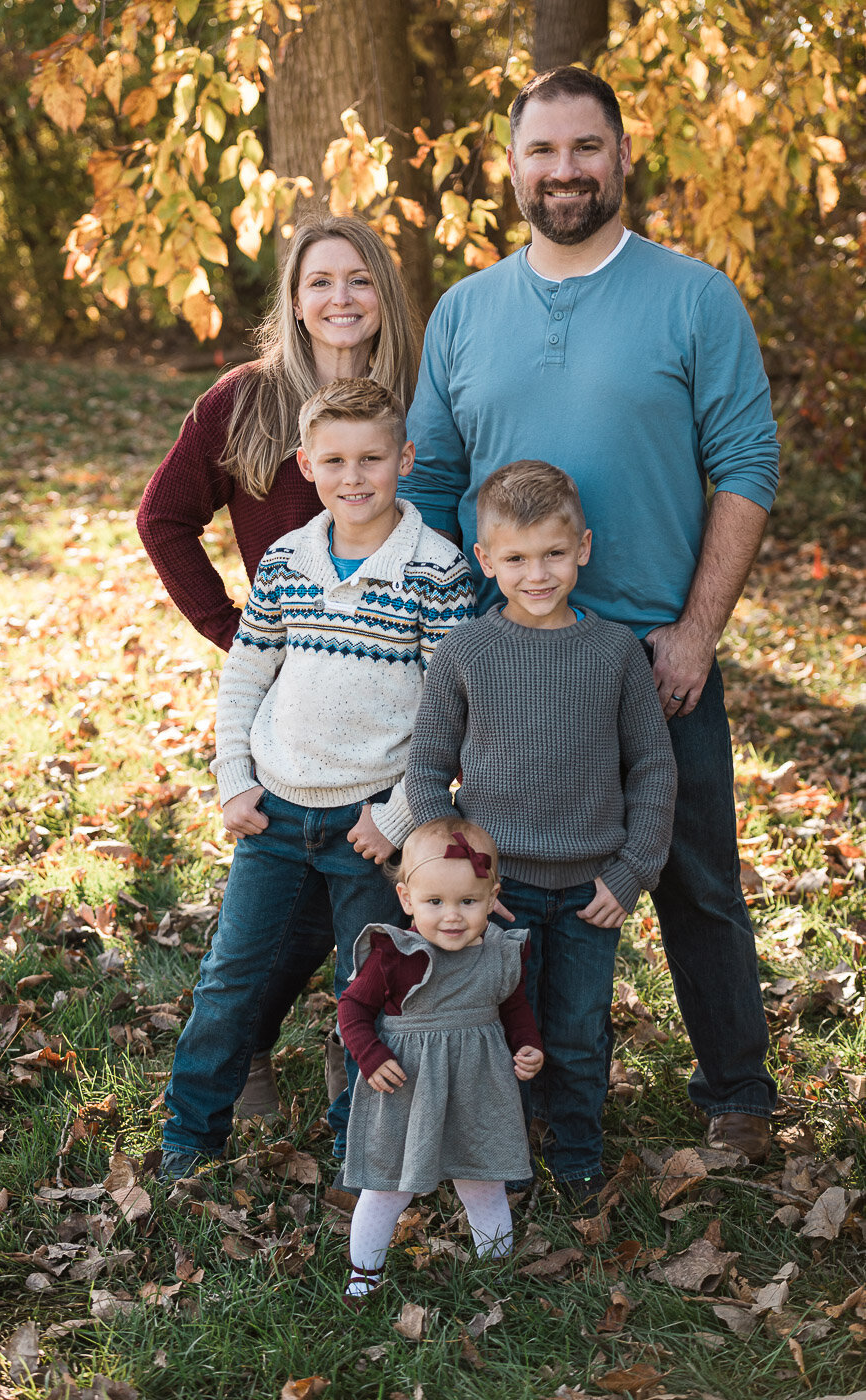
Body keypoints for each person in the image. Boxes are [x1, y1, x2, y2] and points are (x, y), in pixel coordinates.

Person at [402, 66, 780, 1166]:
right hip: (509, 661)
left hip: (656, 658)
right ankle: (518, 1091)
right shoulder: (466, 310)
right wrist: (447, 637)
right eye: (542, 150)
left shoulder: (693, 297)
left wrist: (697, 630)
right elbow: (432, 486)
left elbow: (747, 466)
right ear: (511, 166)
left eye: (584, 147)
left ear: (621, 156)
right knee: (500, 882)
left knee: (697, 879)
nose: (563, 169)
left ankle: (738, 1093)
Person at [138, 214, 421, 1124]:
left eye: (359, 279)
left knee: (374, 889)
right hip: (289, 710)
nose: (341, 298)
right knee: (281, 892)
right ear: (294, 302)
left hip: (397, 705)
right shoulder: (246, 400)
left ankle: (354, 1043)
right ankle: (249, 1045)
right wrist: (236, 633)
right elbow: (162, 519)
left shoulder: (424, 397)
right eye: (319, 282)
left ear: (385, 294)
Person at [157, 379, 476, 1181]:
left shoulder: (436, 569)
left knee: (367, 990)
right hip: (274, 810)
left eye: (372, 458)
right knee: (230, 978)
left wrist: (398, 816)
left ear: (405, 459)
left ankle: (356, 1151)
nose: (353, 476)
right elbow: (246, 674)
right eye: (333, 461)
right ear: (305, 465)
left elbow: (451, 711)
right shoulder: (287, 559)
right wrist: (233, 776)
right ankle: (189, 1140)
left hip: (369, 824)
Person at [405, 461, 677, 1212]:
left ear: (582, 548)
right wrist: (461, 877)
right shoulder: (465, 650)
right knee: (500, 1029)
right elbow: (426, 771)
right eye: (516, 558)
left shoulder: (616, 651)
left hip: (592, 888)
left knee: (579, 1031)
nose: (536, 574)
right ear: (485, 560)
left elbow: (653, 766)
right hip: (499, 894)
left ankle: (578, 1153)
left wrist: (632, 871)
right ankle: (507, 1157)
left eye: (553, 554)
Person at [337, 817, 543, 1306]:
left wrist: (527, 1045)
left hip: (478, 1086)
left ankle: (495, 1273)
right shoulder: (395, 954)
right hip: (407, 1085)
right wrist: (370, 1055)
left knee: (484, 1180)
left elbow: (514, 1008)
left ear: (492, 898)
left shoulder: (500, 953)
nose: (452, 916)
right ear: (407, 899)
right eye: (435, 902)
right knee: (387, 1186)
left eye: (468, 902)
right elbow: (352, 1008)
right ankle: (364, 1274)